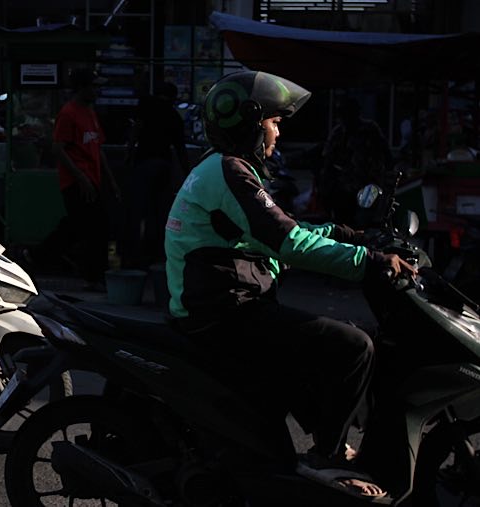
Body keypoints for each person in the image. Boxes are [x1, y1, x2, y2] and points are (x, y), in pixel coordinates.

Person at [164, 70, 416, 499]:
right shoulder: (229, 172)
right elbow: (286, 241)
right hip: (226, 313)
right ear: (248, 122)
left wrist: (346, 233)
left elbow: (282, 228)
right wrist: (370, 261)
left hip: (221, 306)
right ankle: (328, 457)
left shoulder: (221, 168)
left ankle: (307, 454)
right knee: (354, 346)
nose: (278, 131)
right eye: (274, 122)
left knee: (310, 344)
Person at [40, 67, 120, 290]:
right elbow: (58, 149)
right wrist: (80, 177)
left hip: (92, 180)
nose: (98, 91)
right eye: (94, 87)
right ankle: (92, 276)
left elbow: (98, 148)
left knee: (88, 227)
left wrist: (110, 180)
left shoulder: (89, 112)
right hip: (76, 182)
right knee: (89, 229)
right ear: (82, 88)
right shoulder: (69, 113)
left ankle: (40, 257)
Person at [121, 81, 190, 269]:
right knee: (160, 214)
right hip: (164, 166)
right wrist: (188, 174)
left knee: (138, 212)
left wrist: (129, 153)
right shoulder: (174, 116)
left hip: (144, 164)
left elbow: (135, 130)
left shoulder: (146, 106)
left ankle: (135, 256)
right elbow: (180, 149)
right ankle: (157, 255)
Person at [319, 97, 393, 227]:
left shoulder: (370, 129)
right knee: (344, 225)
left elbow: (386, 153)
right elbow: (328, 161)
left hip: (368, 186)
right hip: (343, 189)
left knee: (366, 224)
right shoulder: (338, 133)